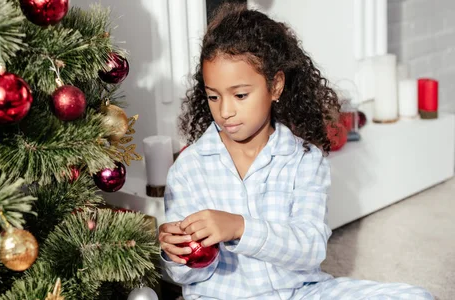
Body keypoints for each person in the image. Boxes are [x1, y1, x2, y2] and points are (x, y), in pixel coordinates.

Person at [158, 3, 434, 300]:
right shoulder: (189, 169)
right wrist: (177, 255)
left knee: (415, 297)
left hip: (299, 293)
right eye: (213, 96)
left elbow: (311, 249)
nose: (225, 111)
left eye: (240, 95)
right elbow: (187, 277)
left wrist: (240, 228)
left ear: (275, 86)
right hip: (222, 296)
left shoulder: (305, 160)